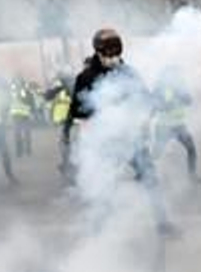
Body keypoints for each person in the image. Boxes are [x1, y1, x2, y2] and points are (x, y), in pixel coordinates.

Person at [65, 27, 176, 235]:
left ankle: (163, 223)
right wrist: (102, 110)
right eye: (109, 51)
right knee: (103, 185)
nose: (114, 56)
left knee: (151, 178)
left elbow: (144, 97)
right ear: (98, 51)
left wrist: (155, 103)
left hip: (131, 138)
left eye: (117, 50)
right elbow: (76, 111)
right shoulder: (86, 77)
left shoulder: (129, 73)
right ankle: (98, 228)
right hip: (104, 141)